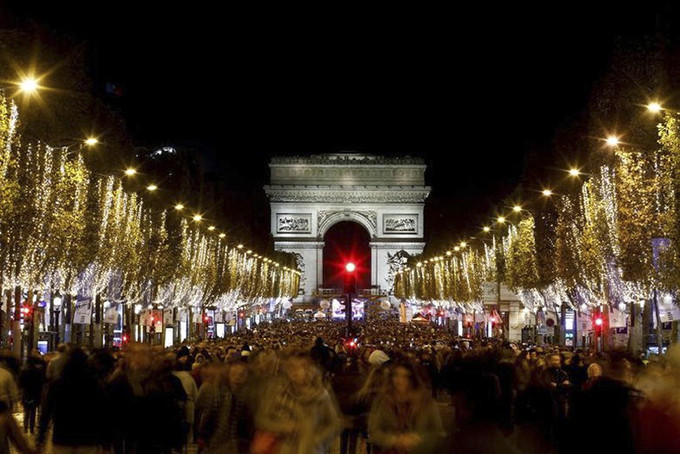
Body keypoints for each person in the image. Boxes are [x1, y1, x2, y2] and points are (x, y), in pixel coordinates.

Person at [256, 351, 341, 453]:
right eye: (291, 367)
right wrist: (283, 427)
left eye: (300, 367)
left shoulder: (320, 396)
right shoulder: (279, 394)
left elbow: (334, 423)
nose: (295, 372)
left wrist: (316, 440)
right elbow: (262, 419)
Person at [38, 347, 110, 453]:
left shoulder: (58, 384)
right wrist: (105, 442)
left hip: (63, 437)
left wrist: (41, 439)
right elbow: (102, 413)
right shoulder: (94, 384)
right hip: (87, 438)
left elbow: (47, 412)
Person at [368, 362, 444, 453]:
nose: (399, 380)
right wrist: (394, 440)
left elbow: (438, 432)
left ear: (412, 379)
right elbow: (374, 431)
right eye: (396, 375)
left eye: (404, 376)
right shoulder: (382, 401)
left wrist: (418, 439)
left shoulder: (426, 402)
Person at [18, 355, 45, 434]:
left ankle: (25, 427)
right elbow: (40, 383)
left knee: (26, 412)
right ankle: (32, 429)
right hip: (35, 393)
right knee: (33, 412)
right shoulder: (38, 371)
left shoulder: (24, 370)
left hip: (26, 393)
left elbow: (20, 383)